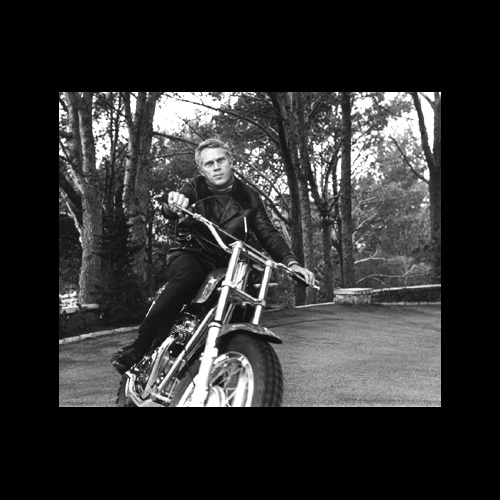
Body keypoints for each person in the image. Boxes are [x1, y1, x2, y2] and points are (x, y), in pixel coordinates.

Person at [110, 138, 315, 374]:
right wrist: (173, 203)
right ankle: (140, 346)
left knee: (245, 300)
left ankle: (226, 361)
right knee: (189, 276)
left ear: (230, 162)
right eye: (209, 163)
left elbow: (267, 232)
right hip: (192, 252)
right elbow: (173, 205)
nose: (216, 167)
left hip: (228, 262)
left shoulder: (249, 197)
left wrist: (292, 263)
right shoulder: (194, 187)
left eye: (220, 160)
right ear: (201, 170)